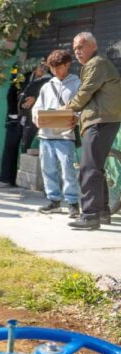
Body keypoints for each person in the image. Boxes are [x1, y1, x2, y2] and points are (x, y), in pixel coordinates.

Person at [66, 32, 121, 230]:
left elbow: (85, 92)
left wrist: (68, 108)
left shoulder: (97, 63)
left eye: (81, 47)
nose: (78, 52)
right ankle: (103, 212)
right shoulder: (95, 64)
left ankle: (90, 216)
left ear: (93, 46)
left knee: (88, 168)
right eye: (75, 49)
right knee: (96, 167)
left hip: (100, 121)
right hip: (103, 119)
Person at [31, 49, 81, 218]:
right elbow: (37, 107)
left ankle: (73, 203)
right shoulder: (47, 86)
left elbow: (82, 107)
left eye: (59, 67)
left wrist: (77, 118)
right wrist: (36, 118)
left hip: (66, 136)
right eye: (52, 68)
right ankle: (54, 201)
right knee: (48, 169)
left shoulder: (77, 84)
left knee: (68, 170)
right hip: (45, 136)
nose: (55, 71)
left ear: (67, 64)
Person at [0, 65, 26, 186]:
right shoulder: (16, 85)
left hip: (20, 121)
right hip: (12, 121)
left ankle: (8, 177)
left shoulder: (27, 85)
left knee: (13, 149)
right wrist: (14, 71)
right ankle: (7, 177)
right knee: (9, 150)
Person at [18, 61, 51, 154]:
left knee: (27, 139)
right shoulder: (28, 77)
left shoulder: (48, 81)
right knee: (22, 140)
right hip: (22, 113)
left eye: (46, 68)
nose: (43, 69)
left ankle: (26, 164)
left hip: (34, 115)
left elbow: (49, 98)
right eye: (41, 66)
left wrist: (35, 99)